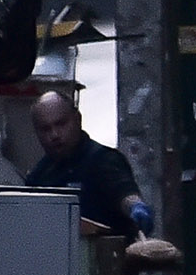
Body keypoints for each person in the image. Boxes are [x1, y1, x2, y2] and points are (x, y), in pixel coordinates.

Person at [26, 91, 154, 244]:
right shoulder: (39, 175)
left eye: (61, 124)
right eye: (46, 129)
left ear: (77, 119)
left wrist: (135, 206)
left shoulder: (103, 160)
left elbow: (122, 190)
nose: (54, 134)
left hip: (108, 259)